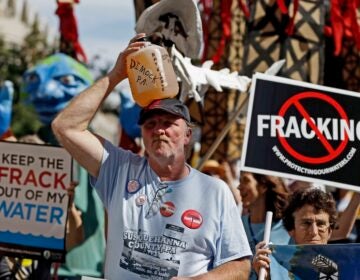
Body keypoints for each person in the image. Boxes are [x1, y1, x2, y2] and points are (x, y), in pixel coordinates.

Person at [51, 34, 252, 280]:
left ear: (188, 134)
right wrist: (115, 75)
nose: (159, 130)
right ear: (143, 133)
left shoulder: (215, 191)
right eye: (150, 124)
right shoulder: (119, 168)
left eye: (168, 123)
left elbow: (241, 266)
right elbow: (65, 126)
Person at [252, 188, 339, 278]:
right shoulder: (276, 267)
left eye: (320, 224)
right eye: (306, 223)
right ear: (291, 229)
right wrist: (267, 277)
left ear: (329, 232)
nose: (314, 232)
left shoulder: (345, 269)